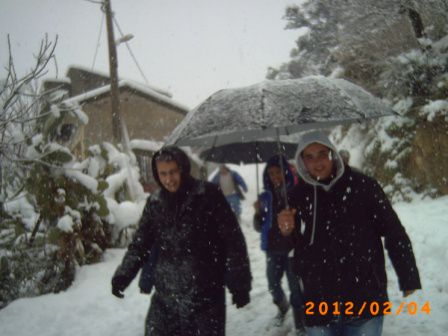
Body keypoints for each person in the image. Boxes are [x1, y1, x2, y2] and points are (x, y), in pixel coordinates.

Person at [277, 131, 421, 336]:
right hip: (318, 303)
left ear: (332, 154)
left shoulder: (364, 186)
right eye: (309, 157)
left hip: (365, 297)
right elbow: (288, 246)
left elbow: (393, 231)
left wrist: (408, 276)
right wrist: (286, 231)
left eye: (321, 154)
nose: (317, 162)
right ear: (301, 162)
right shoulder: (295, 197)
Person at [111, 146, 252, 336]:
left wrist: (240, 282)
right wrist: (123, 274)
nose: (168, 179)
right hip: (166, 299)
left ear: (182, 169)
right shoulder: (155, 203)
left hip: (205, 298)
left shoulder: (208, 195)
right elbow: (140, 244)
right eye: (163, 174)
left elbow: (233, 241)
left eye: (172, 172)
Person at [253, 155, 306, 335]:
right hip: (273, 249)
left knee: (295, 289)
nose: (274, 176)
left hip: (292, 249)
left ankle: (300, 324)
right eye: (271, 173)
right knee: (272, 284)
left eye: (278, 172)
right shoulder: (265, 197)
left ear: (285, 172)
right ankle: (283, 308)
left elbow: (304, 221)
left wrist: (293, 215)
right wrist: (258, 213)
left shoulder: (295, 192)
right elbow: (259, 227)